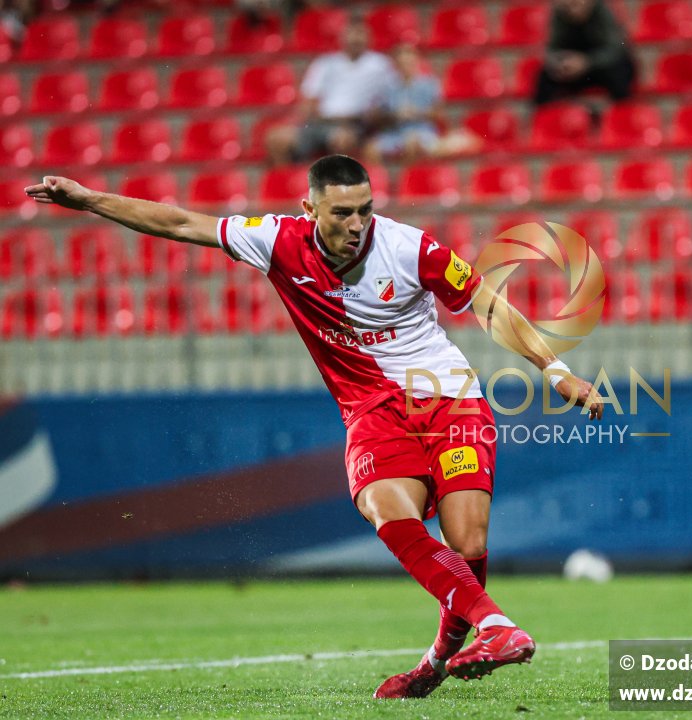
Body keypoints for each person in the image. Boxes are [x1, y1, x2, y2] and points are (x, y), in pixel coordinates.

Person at [24, 156, 604, 699]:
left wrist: (555, 371)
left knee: (468, 543)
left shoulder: (409, 248)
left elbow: (488, 303)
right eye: (342, 212)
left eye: (365, 210)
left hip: (450, 400)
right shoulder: (277, 240)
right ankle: (497, 628)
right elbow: (179, 222)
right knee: (386, 511)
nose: (356, 224)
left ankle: (438, 660)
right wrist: (90, 199)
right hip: (372, 412)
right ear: (311, 209)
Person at [266, 17, 397, 165]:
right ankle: (289, 178)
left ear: (368, 37)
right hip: (320, 122)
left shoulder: (380, 65)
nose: (355, 39)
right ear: (342, 36)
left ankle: (337, 178)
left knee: (341, 140)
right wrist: (304, 118)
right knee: (276, 138)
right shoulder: (325, 63)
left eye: (360, 33)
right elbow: (309, 97)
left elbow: (390, 97)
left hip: (353, 124)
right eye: (351, 33)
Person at [365, 44, 479, 163]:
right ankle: (378, 174)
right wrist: (395, 115)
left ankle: (411, 173)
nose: (405, 66)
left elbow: (438, 114)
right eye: (401, 63)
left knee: (412, 142)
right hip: (395, 132)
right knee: (371, 148)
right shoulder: (387, 87)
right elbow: (377, 116)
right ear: (396, 65)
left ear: (415, 62)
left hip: (422, 131)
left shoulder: (429, 84)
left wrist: (418, 113)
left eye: (408, 62)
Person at [533, 0, 636, 107]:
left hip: (601, 66)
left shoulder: (605, 12)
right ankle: (544, 112)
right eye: (568, 6)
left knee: (619, 70)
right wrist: (561, 62)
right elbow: (551, 49)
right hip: (574, 69)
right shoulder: (560, 15)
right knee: (546, 76)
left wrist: (587, 62)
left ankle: (622, 110)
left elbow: (615, 49)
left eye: (576, 4)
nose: (573, 10)